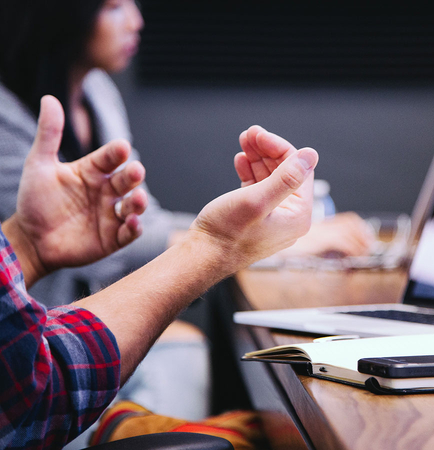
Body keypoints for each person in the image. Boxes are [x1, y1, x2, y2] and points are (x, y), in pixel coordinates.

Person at [0, 0, 373, 428]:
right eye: (114, 6)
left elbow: (136, 226)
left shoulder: (97, 92)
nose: (137, 20)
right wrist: (232, 244)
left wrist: (28, 245)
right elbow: (38, 385)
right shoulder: (6, 117)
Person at [0, 94, 319, 448]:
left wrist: (26, 246)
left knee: (184, 347)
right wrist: (216, 246)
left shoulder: (97, 91)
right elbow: (31, 387)